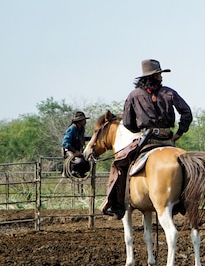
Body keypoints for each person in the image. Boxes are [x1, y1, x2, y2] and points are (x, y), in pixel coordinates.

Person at [101, 59, 193, 219]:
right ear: (152, 76)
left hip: (147, 140)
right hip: (167, 139)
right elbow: (187, 113)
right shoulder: (169, 92)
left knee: (120, 164)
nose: (161, 76)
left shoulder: (133, 95)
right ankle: (183, 201)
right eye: (158, 74)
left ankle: (117, 202)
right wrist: (179, 132)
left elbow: (128, 123)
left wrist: (140, 129)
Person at [62, 111, 91, 177]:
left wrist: (92, 138)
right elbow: (65, 143)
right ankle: (71, 171)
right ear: (79, 121)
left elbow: (81, 138)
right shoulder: (72, 129)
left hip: (78, 151)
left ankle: (80, 173)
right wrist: (75, 151)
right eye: (84, 120)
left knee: (87, 163)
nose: (85, 121)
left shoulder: (82, 129)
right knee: (79, 162)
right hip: (69, 150)